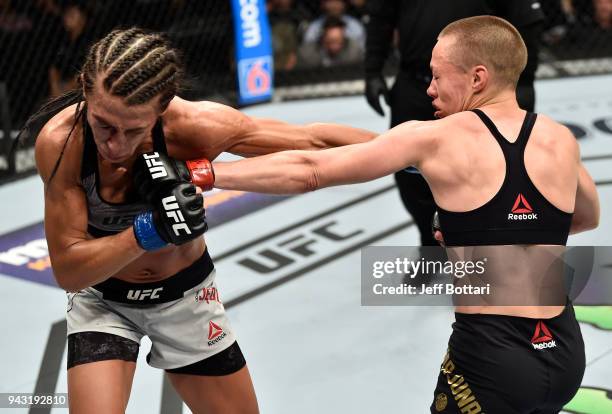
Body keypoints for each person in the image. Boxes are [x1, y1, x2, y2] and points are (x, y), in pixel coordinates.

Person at [210, 16, 600, 412]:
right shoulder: (559, 138)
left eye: (436, 76)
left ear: (477, 78)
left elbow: (311, 168)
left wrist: (207, 175)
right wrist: (491, 228)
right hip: (565, 349)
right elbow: (586, 217)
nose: (429, 89)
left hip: (493, 356)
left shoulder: (434, 137)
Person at [28, 28, 376, 413]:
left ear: (161, 107)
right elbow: (69, 271)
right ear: (85, 90)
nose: (115, 144)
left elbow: (311, 142)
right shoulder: (63, 143)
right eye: (104, 124)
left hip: (186, 299)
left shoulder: (194, 127)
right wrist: (147, 232)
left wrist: (411, 150)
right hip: (103, 302)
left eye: (133, 130)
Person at [365, 0, 545, 248]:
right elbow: (382, 17)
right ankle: (431, 244)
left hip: (476, 90)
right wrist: (372, 71)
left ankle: (481, 245)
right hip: (414, 83)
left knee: (487, 170)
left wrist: (522, 82)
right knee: (406, 171)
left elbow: (525, 20)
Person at [298, 16, 364, 68]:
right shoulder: (307, 53)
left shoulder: (354, 51)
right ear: (323, 38)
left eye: (338, 41)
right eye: (331, 41)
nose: (335, 45)